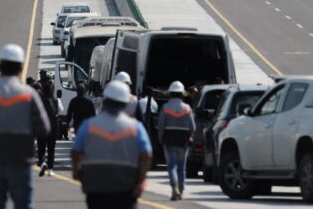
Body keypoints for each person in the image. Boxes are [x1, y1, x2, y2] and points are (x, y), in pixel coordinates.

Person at [0, 44, 51, 209]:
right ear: (21, 67)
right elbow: (44, 128)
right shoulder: (29, 94)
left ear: (0, 65)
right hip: (21, 161)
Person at [72, 81, 152, 209]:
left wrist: (77, 172)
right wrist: (141, 181)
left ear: (105, 100)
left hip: (95, 187)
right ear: (126, 103)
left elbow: (76, 152)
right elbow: (146, 155)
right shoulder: (136, 128)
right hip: (126, 187)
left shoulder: (88, 126)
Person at [158, 81, 195, 201]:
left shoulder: (165, 107)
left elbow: (161, 126)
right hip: (183, 141)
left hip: (169, 140)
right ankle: (181, 189)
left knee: (171, 166)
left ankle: (174, 189)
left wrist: (161, 139)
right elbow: (193, 127)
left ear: (170, 93)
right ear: (181, 94)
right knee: (181, 167)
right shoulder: (187, 108)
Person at [37, 74, 58, 177]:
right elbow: (58, 111)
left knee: (41, 148)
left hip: (42, 126)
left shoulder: (40, 100)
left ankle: (42, 163)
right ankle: (50, 169)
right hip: (53, 126)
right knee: (51, 148)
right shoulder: (55, 100)